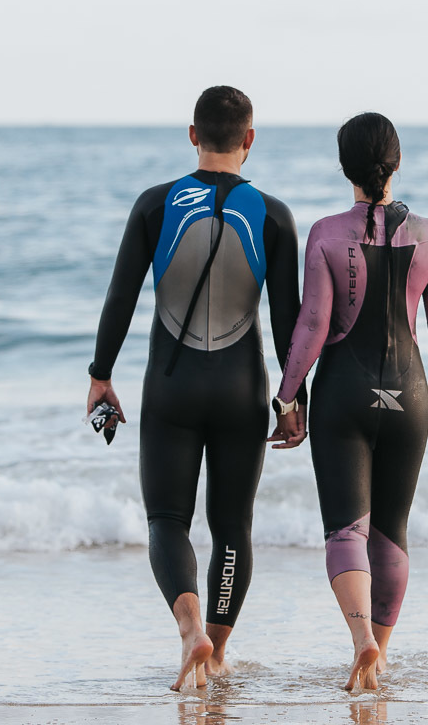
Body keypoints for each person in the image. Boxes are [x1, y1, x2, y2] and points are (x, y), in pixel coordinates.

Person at [87, 86, 308, 691]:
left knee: (166, 520)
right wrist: (294, 402)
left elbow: (120, 297)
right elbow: (291, 321)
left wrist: (100, 375)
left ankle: (189, 629)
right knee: (233, 525)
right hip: (242, 389)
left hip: (171, 387)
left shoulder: (155, 205)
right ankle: (217, 650)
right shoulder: (276, 215)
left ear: (192, 135)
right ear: (250, 140)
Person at [269, 112, 428, 691]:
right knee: (392, 532)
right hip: (409, 394)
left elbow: (313, 325)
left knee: (345, 532)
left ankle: (360, 644)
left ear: (343, 166)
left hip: (342, 394)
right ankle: (379, 653)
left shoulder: (327, 233)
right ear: (397, 162)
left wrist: (286, 399)